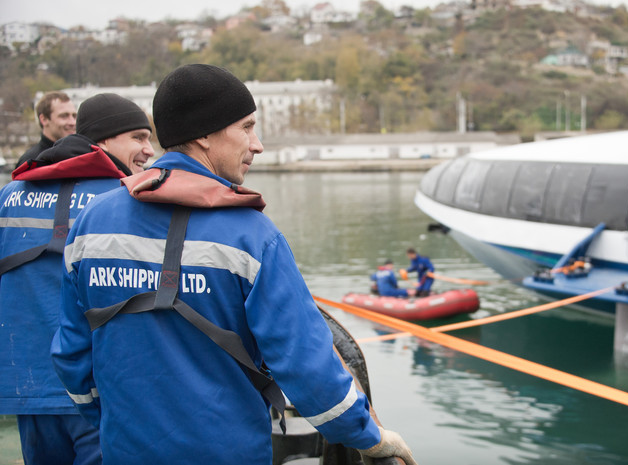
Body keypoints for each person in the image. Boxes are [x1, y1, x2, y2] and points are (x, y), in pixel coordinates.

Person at [50, 64, 417, 465]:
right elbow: (309, 368)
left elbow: (72, 356)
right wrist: (370, 438)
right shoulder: (253, 235)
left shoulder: (91, 223)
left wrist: (114, 419)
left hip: (126, 450)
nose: (257, 144)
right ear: (204, 134)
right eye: (246, 127)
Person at [0, 93, 154, 465]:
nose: (149, 150)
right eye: (138, 137)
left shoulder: (9, 196)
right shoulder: (127, 200)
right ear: (101, 142)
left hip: (28, 385)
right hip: (98, 389)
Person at [16, 91, 78, 168]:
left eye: (74, 116)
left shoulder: (80, 156)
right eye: (64, 116)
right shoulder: (31, 162)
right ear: (44, 119)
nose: (72, 122)